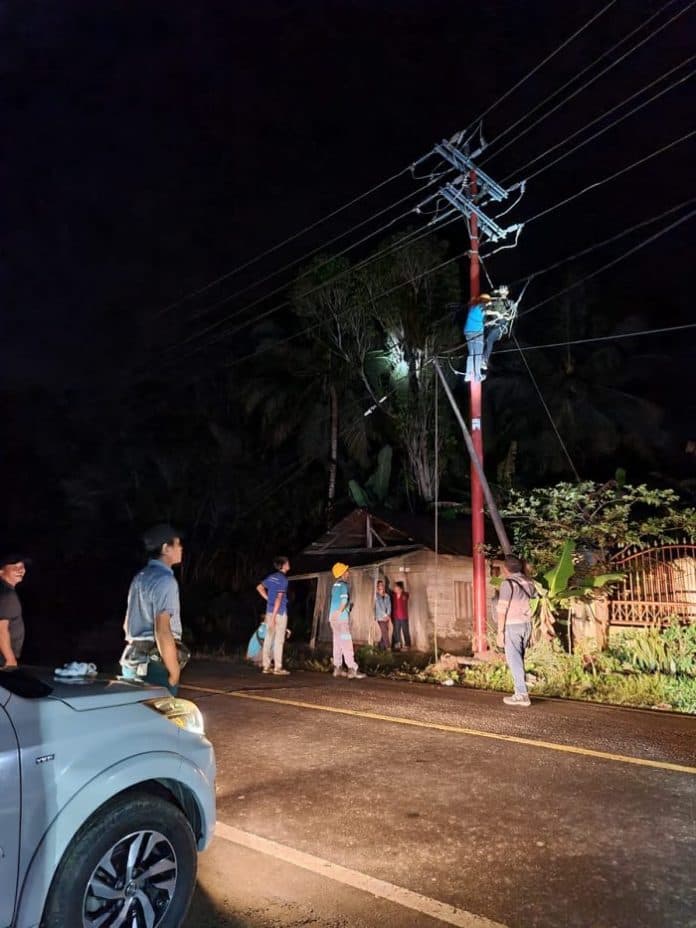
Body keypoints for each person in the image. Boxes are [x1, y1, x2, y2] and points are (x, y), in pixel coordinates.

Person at [120, 523, 188, 696]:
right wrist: (174, 672)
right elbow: (163, 630)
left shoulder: (140, 577)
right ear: (166, 548)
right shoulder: (165, 581)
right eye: (177, 544)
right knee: (161, 718)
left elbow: (127, 624)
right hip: (154, 664)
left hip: (132, 659)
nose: (181, 548)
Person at [496, 555, 536, 707]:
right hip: (526, 624)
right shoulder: (529, 582)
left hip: (512, 625)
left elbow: (502, 608)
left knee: (514, 659)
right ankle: (523, 684)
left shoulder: (508, 584)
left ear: (506, 569)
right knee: (519, 658)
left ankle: (521, 694)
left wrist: (500, 632)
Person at [256, 556, 291, 676]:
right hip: (279, 613)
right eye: (287, 563)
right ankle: (277, 667)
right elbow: (279, 598)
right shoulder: (283, 580)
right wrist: (275, 615)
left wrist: (268, 600)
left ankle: (266, 666)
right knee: (279, 641)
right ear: (283, 565)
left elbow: (259, 587)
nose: (289, 564)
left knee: (268, 639)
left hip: (269, 612)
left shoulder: (271, 577)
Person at [329, 563, 365, 679]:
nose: (348, 573)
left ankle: (337, 668)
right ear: (342, 573)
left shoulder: (335, 585)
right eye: (346, 571)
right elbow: (343, 602)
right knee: (346, 643)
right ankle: (352, 669)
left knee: (337, 642)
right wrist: (341, 612)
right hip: (341, 619)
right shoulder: (344, 585)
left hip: (333, 619)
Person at [0, 553, 30, 668]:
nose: (21, 570)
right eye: (15, 568)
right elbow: (1, 629)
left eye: (22, 567)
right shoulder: (6, 594)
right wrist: (10, 659)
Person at [463, 294, 491, 383]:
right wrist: (497, 313)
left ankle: (468, 375)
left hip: (468, 332)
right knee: (478, 354)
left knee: (472, 354)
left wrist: (487, 323)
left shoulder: (472, 308)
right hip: (477, 333)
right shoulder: (480, 307)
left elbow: (479, 319)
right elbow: (485, 312)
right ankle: (477, 377)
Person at [391, 580, 411, 650]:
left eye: (395, 587)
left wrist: (401, 592)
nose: (394, 588)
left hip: (403, 617)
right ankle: (398, 643)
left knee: (405, 631)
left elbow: (406, 595)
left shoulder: (404, 595)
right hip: (396, 617)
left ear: (399, 588)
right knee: (397, 631)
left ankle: (407, 645)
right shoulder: (393, 595)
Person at [374, 579, 391, 650]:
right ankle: (388, 648)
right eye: (380, 585)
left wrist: (388, 615)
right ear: (377, 587)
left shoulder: (387, 596)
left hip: (386, 617)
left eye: (382, 585)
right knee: (385, 632)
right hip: (380, 617)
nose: (381, 586)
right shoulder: (376, 596)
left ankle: (380, 646)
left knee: (385, 631)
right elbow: (378, 607)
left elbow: (389, 605)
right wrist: (384, 615)